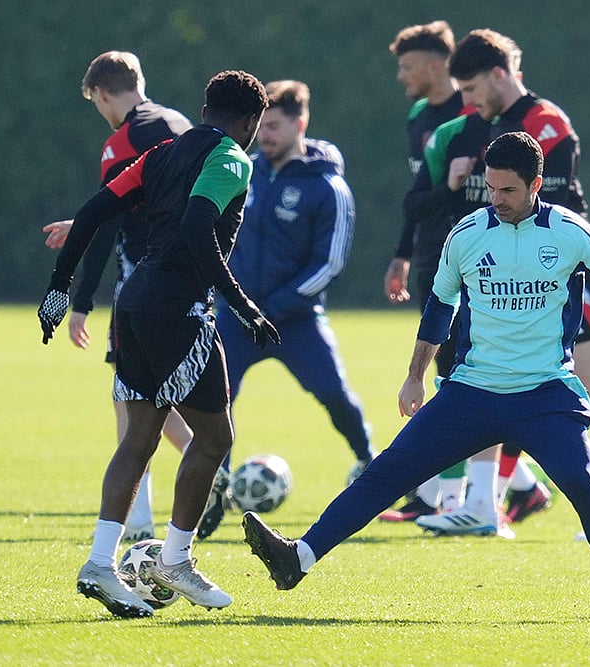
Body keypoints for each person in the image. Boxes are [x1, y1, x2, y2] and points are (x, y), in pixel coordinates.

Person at [243, 131, 590, 623]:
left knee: (582, 485)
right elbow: (439, 306)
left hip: (546, 394)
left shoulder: (569, 232)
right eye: (491, 188)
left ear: (535, 185)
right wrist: (415, 376)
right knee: (387, 472)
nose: (497, 199)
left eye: (509, 190)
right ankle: (297, 558)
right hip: (471, 393)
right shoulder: (466, 235)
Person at [38, 70, 275, 618]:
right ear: (249, 122)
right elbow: (197, 229)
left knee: (140, 436)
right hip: (178, 309)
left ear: (205, 109)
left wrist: (59, 287)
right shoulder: (232, 158)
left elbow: (94, 211)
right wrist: (242, 304)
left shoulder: (161, 153)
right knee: (215, 439)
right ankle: (175, 560)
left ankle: (101, 563)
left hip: (133, 302)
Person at [417, 29, 590, 541]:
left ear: (498, 75)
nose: (467, 99)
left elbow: (558, 214)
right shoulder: (479, 127)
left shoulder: (544, 122)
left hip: (561, 282)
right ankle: (482, 504)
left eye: (472, 87)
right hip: (505, 276)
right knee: (487, 373)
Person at [198, 80, 375, 539]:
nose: (264, 135)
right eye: (261, 126)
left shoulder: (328, 186)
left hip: (295, 321)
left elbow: (329, 263)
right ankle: (214, 487)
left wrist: (274, 306)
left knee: (335, 395)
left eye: (274, 126)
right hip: (237, 318)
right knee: (215, 401)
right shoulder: (241, 170)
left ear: (301, 123)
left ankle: (368, 462)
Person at [41, 51, 194, 542]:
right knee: (161, 393)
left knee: (129, 400)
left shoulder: (122, 141)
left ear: (101, 94)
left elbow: (109, 220)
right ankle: (209, 466)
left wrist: (81, 301)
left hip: (142, 285)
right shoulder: (182, 125)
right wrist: (81, 220)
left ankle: (138, 522)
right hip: (191, 281)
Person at [378, 21, 470, 523]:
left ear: (436, 66)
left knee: (460, 375)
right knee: (449, 372)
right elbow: (419, 196)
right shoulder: (419, 117)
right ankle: (441, 494)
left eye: (407, 66)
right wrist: (403, 252)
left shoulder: (471, 113)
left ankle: (455, 498)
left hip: (472, 259)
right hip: (433, 255)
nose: (400, 76)